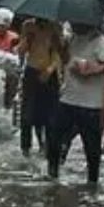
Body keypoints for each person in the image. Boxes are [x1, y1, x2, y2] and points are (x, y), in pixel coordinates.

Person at [48, 23, 104, 184]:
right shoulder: (72, 38)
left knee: (91, 148)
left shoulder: (100, 41)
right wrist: (57, 42)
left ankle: (92, 180)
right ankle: (52, 173)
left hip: (90, 104)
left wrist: (90, 70)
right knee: (54, 138)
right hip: (68, 98)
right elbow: (65, 58)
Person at [17, 17, 63, 156]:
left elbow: (58, 53)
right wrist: (28, 38)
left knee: (50, 113)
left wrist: (50, 70)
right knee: (27, 113)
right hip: (32, 71)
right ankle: (26, 147)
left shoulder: (55, 27)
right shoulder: (28, 25)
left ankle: (48, 145)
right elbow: (21, 51)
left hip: (49, 73)